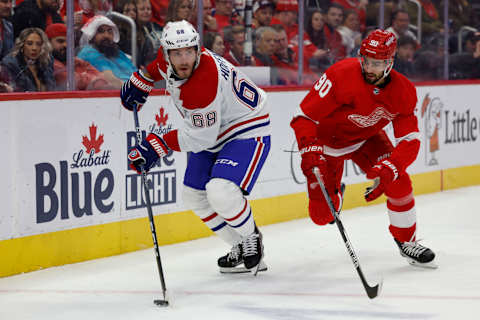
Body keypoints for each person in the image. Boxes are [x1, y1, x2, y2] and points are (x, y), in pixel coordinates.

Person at [120, 20, 270, 274]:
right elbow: (157, 68)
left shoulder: (202, 84)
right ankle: (239, 247)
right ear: (167, 53)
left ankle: (250, 238)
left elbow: (202, 139)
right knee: (193, 194)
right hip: (213, 125)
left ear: (198, 50)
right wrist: (143, 79)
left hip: (245, 125)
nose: (184, 59)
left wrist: (158, 144)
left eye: (189, 51)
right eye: (177, 53)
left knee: (220, 190)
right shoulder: (167, 59)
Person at [290, 29, 437, 269]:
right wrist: (310, 150)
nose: (369, 68)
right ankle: (335, 194)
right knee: (321, 216)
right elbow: (303, 117)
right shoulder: (341, 74)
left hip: (367, 140)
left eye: (377, 63)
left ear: (390, 62)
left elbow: (410, 139)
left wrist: (392, 167)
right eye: (366, 60)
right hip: (327, 145)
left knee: (399, 182)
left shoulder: (404, 91)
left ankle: (407, 240)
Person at [46, 23, 114, 90]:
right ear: (48, 43)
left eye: (69, 41)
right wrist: (88, 77)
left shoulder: (77, 61)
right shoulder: (49, 63)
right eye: (60, 41)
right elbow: (77, 82)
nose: (66, 45)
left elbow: (101, 77)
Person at [77, 15, 136, 82]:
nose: (106, 35)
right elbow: (111, 80)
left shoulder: (117, 53)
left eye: (109, 31)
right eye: (101, 31)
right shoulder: (89, 53)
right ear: (92, 35)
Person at [1, 27, 55, 92]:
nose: (34, 48)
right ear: (22, 45)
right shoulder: (10, 64)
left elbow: (52, 88)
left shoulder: (46, 62)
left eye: (38, 44)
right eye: (29, 44)